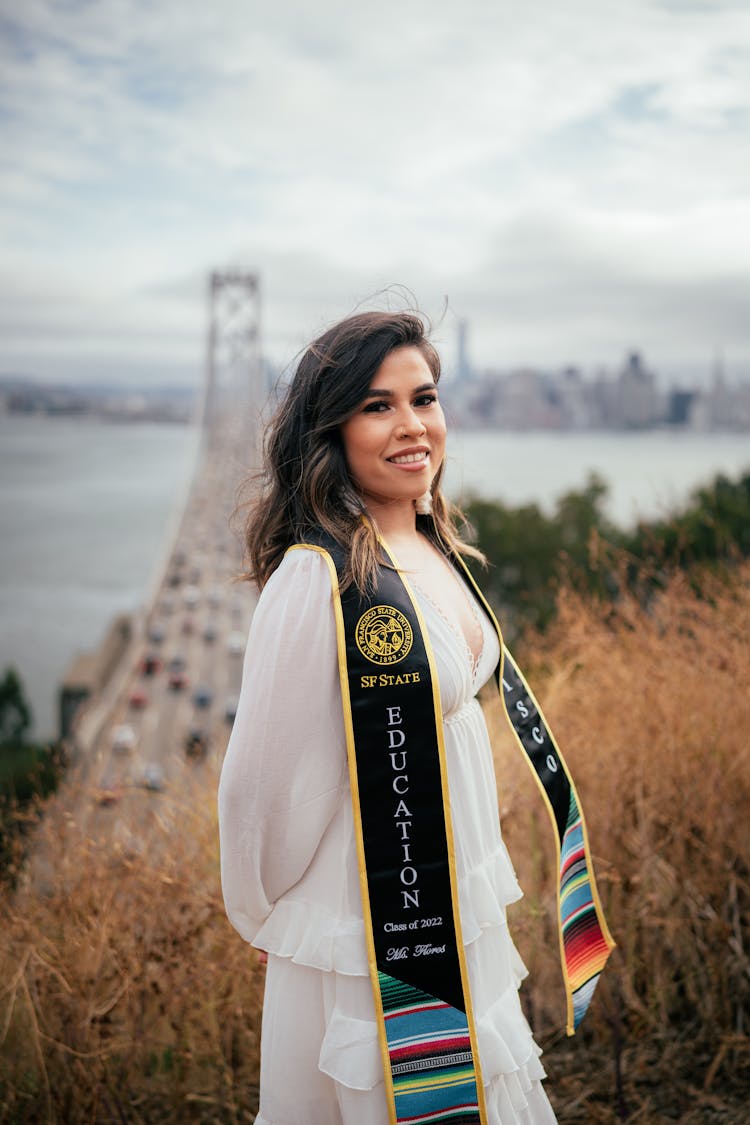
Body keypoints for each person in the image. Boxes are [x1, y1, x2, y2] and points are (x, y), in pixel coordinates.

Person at [218, 310, 558, 1124]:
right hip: (368, 923)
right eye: (377, 405)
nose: (411, 425)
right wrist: (269, 912)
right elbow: (259, 786)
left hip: (458, 900)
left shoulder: (435, 546)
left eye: (424, 397)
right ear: (331, 429)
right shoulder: (320, 578)